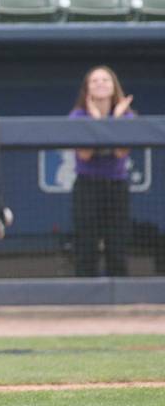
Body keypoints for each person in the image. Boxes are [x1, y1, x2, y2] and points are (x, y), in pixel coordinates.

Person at [69, 65, 134, 277]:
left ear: (114, 86)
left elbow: (120, 152)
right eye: (95, 80)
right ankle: (85, 297)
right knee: (86, 243)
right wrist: (97, 122)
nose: (100, 84)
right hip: (88, 185)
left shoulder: (126, 117)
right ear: (87, 88)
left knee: (117, 243)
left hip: (116, 185)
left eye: (105, 80)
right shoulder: (78, 116)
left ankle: (119, 298)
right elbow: (85, 154)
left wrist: (113, 121)